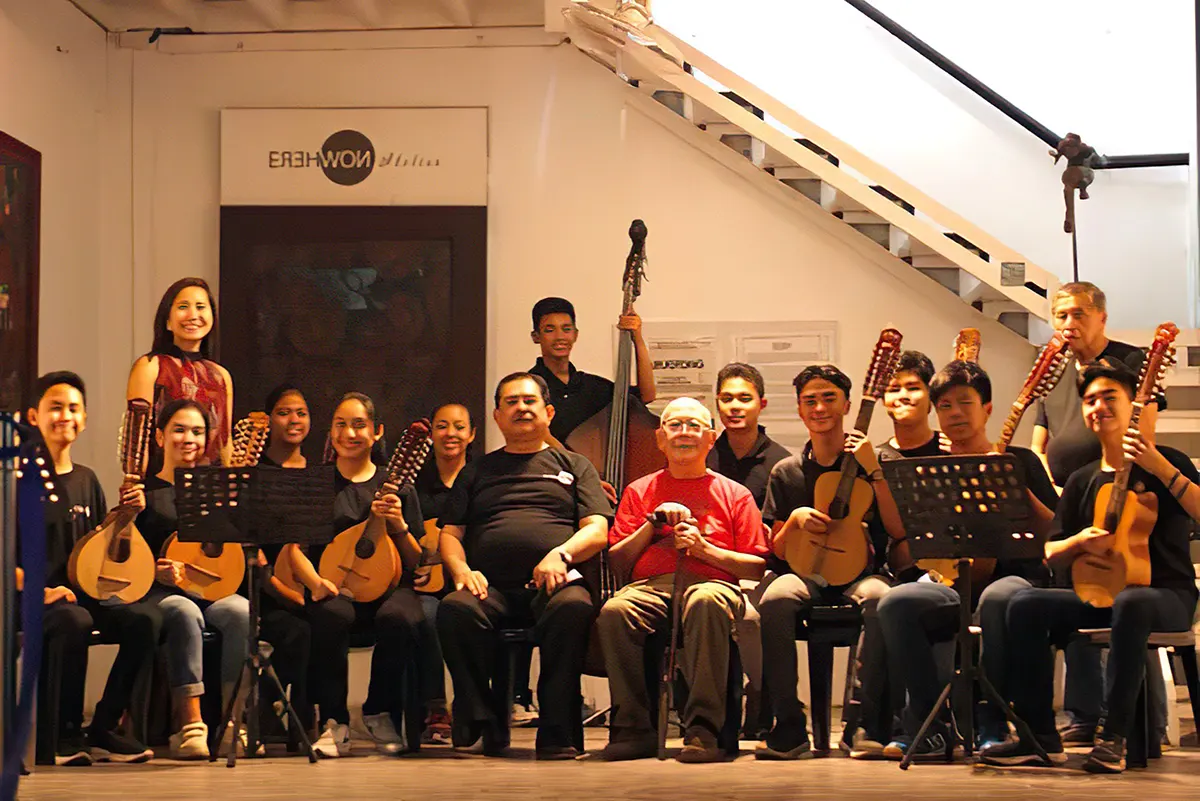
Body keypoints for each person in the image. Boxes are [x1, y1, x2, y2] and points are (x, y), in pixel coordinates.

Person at [981, 360, 1199, 773]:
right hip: (1100, 592)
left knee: (1132, 603)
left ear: (1134, 403)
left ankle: (1112, 736)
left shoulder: (1167, 462)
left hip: (1167, 594)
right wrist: (1079, 541)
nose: (1098, 406)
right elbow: (1050, 549)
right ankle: (1039, 737)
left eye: (1108, 397)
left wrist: (1159, 467)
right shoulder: (1081, 479)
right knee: (1024, 605)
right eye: (1089, 400)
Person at [876, 361, 1057, 760]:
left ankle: (991, 719)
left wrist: (1011, 485)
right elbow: (912, 542)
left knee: (997, 599)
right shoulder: (930, 470)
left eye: (965, 403)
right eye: (944, 406)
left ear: (987, 408)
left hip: (1017, 580)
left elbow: (1056, 533)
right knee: (895, 603)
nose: (955, 412)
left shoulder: (1021, 459)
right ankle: (929, 723)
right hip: (954, 583)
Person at [436, 372, 611, 760]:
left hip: (555, 583)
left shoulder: (575, 465)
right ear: (497, 416)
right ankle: (483, 718)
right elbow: (450, 534)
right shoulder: (477, 471)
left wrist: (561, 554)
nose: (521, 408)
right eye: (511, 402)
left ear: (548, 412)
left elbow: (597, 530)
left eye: (529, 401)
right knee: (453, 610)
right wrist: (461, 571)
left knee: (574, 607)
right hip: (490, 588)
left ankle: (556, 730)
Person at [1030, 281, 1165, 744]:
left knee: (1125, 591)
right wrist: (1044, 486)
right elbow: (1039, 440)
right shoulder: (1053, 369)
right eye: (1061, 316)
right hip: (1066, 495)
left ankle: (1145, 722)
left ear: (1101, 317)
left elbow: (1142, 428)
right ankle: (1082, 714)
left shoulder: (1130, 361)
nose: (1069, 325)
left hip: (1118, 490)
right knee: (1072, 588)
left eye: (1078, 315)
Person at [599, 397, 768, 762]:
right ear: (660, 438)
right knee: (615, 610)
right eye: (675, 425)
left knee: (704, 601)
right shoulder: (638, 491)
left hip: (715, 587)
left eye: (694, 426)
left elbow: (756, 566)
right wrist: (651, 525)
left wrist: (704, 550)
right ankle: (632, 728)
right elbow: (617, 562)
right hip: (649, 588)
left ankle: (703, 730)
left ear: (710, 439)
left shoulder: (735, 494)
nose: (684, 433)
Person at [756, 365, 907, 760]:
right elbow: (777, 548)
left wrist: (874, 470)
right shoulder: (786, 472)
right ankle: (788, 724)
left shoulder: (875, 464)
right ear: (800, 410)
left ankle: (864, 721)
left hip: (863, 573)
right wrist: (795, 520)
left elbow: (896, 528)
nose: (820, 407)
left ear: (847, 405)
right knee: (773, 600)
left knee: (881, 600)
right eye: (810, 401)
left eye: (829, 398)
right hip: (803, 573)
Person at [278, 392, 426, 758]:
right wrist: (316, 584)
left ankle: (379, 711)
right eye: (341, 424)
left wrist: (399, 525)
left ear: (377, 432)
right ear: (331, 433)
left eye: (359, 425)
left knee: (400, 617)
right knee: (329, 615)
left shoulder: (398, 485)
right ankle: (334, 721)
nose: (350, 433)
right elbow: (294, 550)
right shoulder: (316, 483)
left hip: (391, 586)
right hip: (334, 583)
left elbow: (417, 559)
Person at [22, 371, 158, 765]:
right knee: (74, 621)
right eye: (56, 407)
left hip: (82, 594)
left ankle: (102, 726)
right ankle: (60, 736)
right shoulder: (17, 479)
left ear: (84, 419)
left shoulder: (87, 479)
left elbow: (97, 546)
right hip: (35, 598)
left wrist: (128, 516)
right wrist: (41, 591)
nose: (66, 415)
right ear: (33, 416)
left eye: (74, 408)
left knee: (145, 620)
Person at [136, 399, 252, 759]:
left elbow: (232, 551)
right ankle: (191, 726)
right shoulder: (144, 492)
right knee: (186, 612)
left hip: (211, 590)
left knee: (242, 612)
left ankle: (233, 723)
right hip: (160, 593)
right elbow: (126, 560)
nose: (189, 439)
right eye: (180, 430)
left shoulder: (217, 489)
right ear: (160, 437)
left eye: (198, 432)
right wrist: (156, 570)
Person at [704, 363, 790, 739]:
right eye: (726, 398)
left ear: (762, 403)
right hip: (708, 568)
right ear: (717, 404)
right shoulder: (702, 457)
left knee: (756, 619)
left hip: (762, 571)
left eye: (744, 398)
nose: (734, 407)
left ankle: (762, 706)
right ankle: (712, 718)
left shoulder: (781, 463)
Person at [413, 401, 477, 745]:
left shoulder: (482, 478)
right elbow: (406, 539)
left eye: (458, 426)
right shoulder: (415, 486)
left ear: (471, 435)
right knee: (424, 613)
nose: (450, 433)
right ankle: (435, 706)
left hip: (470, 579)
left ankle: (474, 707)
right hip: (426, 585)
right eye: (441, 426)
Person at [126, 277, 234, 467]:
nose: (193, 315)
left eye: (200, 307)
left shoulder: (221, 376)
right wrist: (134, 485)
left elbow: (225, 444)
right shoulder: (151, 366)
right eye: (183, 307)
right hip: (161, 486)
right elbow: (136, 442)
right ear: (167, 321)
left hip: (211, 488)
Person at [877, 351, 942, 461]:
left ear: (930, 394)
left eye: (913, 388)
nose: (903, 396)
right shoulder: (874, 459)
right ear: (883, 399)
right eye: (894, 390)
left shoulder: (951, 449)